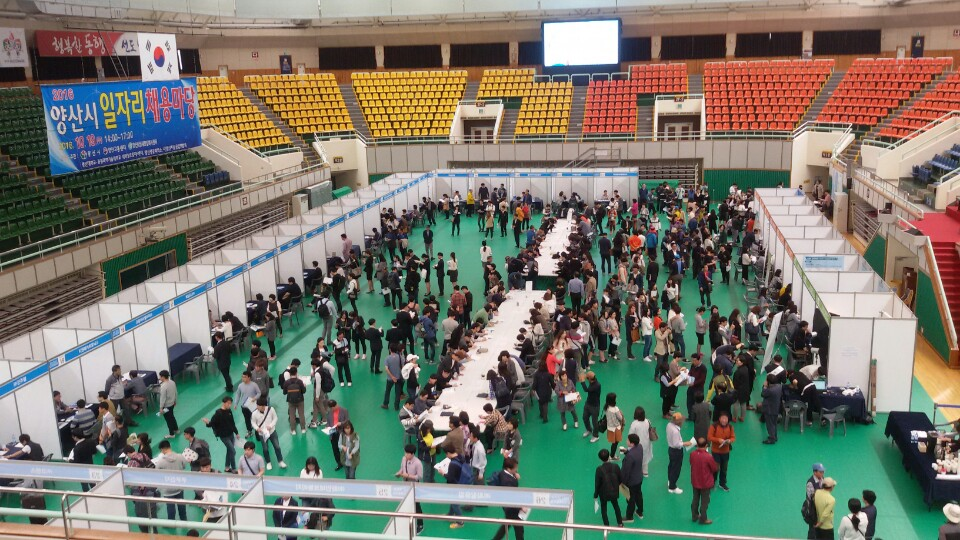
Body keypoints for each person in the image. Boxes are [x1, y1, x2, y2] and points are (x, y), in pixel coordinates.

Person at [202, 396, 239, 472]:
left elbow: (232, 423)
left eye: (230, 403)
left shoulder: (229, 411)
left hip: (231, 434)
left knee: (229, 450)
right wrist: (207, 422)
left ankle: (227, 467)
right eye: (228, 403)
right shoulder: (218, 413)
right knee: (233, 451)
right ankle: (234, 468)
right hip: (224, 436)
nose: (229, 405)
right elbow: (212, 423)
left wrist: (236, 432)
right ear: (223, 403)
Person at [155, 440, 189, 521]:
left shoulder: (160, 462)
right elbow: (184, 466)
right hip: (179, 486)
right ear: (169, 446)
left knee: (170, 508)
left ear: (162, 449)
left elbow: (157, 473)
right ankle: (184, 520)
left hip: (168, 489)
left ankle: (171, 523)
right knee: (181, 505)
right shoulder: (180, 457)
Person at [491, 457, 524, 539]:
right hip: (511, 507)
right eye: (515, 468)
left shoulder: (503, 473)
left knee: (507, 524)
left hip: (507, 506)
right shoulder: (508, 482)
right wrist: (521, 507)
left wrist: (514, 475)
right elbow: (511, 497)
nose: (517, 469)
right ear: (509, 469)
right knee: (518, 527)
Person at [396, 444, 425, 534]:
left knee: (417, 505)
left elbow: (419, 476)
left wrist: (408, 475)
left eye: (407, 453)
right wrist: (399, 473)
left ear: (412, 454)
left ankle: (420, 525)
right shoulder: (404, 459)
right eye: (405, 453)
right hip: (405, 485)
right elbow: (402, 468)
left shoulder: (418, 463)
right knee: (406, 502)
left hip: (414, 486)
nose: (405, 455)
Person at [251, 397, 287, 470]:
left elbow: (275, 418)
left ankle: (280, 461)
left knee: (277, 446)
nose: (258, 407)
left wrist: (270, 426)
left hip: (272, 432)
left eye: (260, 406)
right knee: (265, 449)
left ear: (264, 405)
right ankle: (268, 462)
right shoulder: (254, 414)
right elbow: (253, 422)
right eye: (258, 405)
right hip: (262, 434)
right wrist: (257, 428)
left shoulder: (271, 409)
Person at [690, 437, 718, 525]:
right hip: (705, 483)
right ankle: (703, 519)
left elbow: (691, 463)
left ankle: (694, 516)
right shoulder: (708, 457)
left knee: (695, 499)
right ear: (706, 446)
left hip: (695, 481)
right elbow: (714, 468)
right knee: (704, 502)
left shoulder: (692, 454)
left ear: (697, 445)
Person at [594, 449, 624, 527]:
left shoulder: (599, 469)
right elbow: (620, 480)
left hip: (603, 493)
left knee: (604, 509)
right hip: (614, 491)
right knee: (616, 506)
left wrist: (595, 495)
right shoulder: (616, 466)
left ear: (600, 458)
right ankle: (620, 523)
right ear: (609, 456)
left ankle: (606, 526)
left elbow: (597, 484)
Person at [620, 433, 645, 522]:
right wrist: (627, 452)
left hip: (631, 482)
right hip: (639, 478)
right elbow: (635, 456)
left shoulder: (630, 457)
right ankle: (640, 512)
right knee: (639, 495)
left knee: (630, 498)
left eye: (628, 440)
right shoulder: (640, 447)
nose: (626, 441)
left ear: (632, 443)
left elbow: (626, 471)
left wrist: (622, 482)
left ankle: (629, 517)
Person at [707, 413, 735, 491]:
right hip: (716, 451)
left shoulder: (730, 427)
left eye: (726, 419)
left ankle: (722, 483)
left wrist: (729, 441)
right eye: (722, 418)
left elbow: (733, 437)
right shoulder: (714, 426)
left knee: (724, 468)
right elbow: (709, 437)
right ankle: (712, 482)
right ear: (719, 419)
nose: (724, 420)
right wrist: (718, 440)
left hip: (725, 451)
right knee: (715, 467)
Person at [667, 412, 693, 493]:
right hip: (676, 451)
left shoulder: (669, 425)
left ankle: (670, 481)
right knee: (676, 469)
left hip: (670, 449)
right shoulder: (675, 431)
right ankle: (672, 487)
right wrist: (685, 443)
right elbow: (676, 444)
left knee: (671, 466)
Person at [443, 446, 469, 528]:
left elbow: (450, 477)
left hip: (455, 485)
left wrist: (443, 473)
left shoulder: (452, 464)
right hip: (461, 482)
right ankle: (450, 515)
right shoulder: (460, 456)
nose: (446, 456)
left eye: (446, 454)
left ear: (448, 453)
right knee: (452, 500)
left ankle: (460, 522)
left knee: (455, 504)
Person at [628, 407, 654, 477]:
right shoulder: (648, 421)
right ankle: (645, 472)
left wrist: (629, 445)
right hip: (646, 443)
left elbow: (630, 435)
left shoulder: (634, 424)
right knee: (645, 457)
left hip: (637, 444)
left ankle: (636, 472)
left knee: (637, 457)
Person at [234, 371, 261, 438]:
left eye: (245, 377)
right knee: (247, 419)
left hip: (252, 406)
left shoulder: (254, 385)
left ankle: (257, 431)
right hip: (244, 406)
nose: (243, 378)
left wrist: (255, 398)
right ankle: (249, 431)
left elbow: (259, 393)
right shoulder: (240, 385)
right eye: (242, 377)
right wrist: (236, 403)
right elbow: (238, 394)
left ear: (249, 377)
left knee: (255, 418)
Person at [281, 366, 307, 435]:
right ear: (296, 372)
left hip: (291, 401)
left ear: (289, 373)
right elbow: (303, 391)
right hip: (300, 400)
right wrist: (304, 387)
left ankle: (293, 430)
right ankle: (303, 429)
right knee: (301, 414)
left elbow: (284, 392)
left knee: (292, 416)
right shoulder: (299, 382)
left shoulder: (287, 382)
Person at [326, 400, 350, 471]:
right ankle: (339, 463)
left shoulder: (344, 411)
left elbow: (347, 421)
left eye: (334, 407)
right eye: (331, 408)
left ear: (336, 404)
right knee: (335, 449)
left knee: (344, 448)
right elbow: (328, 422)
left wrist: (341, 423)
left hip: (342, 433)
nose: (333, 409)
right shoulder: (329, 412)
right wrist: (327, 427)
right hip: (333, 433)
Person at [761, 373, 783, 444]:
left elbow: (763, 394)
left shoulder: (770, 390)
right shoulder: (779, 386)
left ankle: (771, 439)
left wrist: (764, 386)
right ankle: (774, 436)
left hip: (769, 410)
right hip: (776, 408)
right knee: (774, 424)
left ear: (769, 382)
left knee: (770, 425)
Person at [806, 463, 827, 538]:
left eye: (823, 471)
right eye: (820, 472)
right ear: (815, 472)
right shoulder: (810, 483)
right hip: (813, 511)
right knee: (813, 530)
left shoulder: (823, 479)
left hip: (821, 509)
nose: (822, 473)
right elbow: (811, 498)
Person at [603, 392, 625, 459]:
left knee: (613, 442)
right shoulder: (616, 409)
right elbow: (620, 418)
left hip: (610, 428)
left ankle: (612, 454)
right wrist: (621, 413)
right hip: (616, 429)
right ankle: (612, 456)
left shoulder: (606, 407)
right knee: (615, 443)